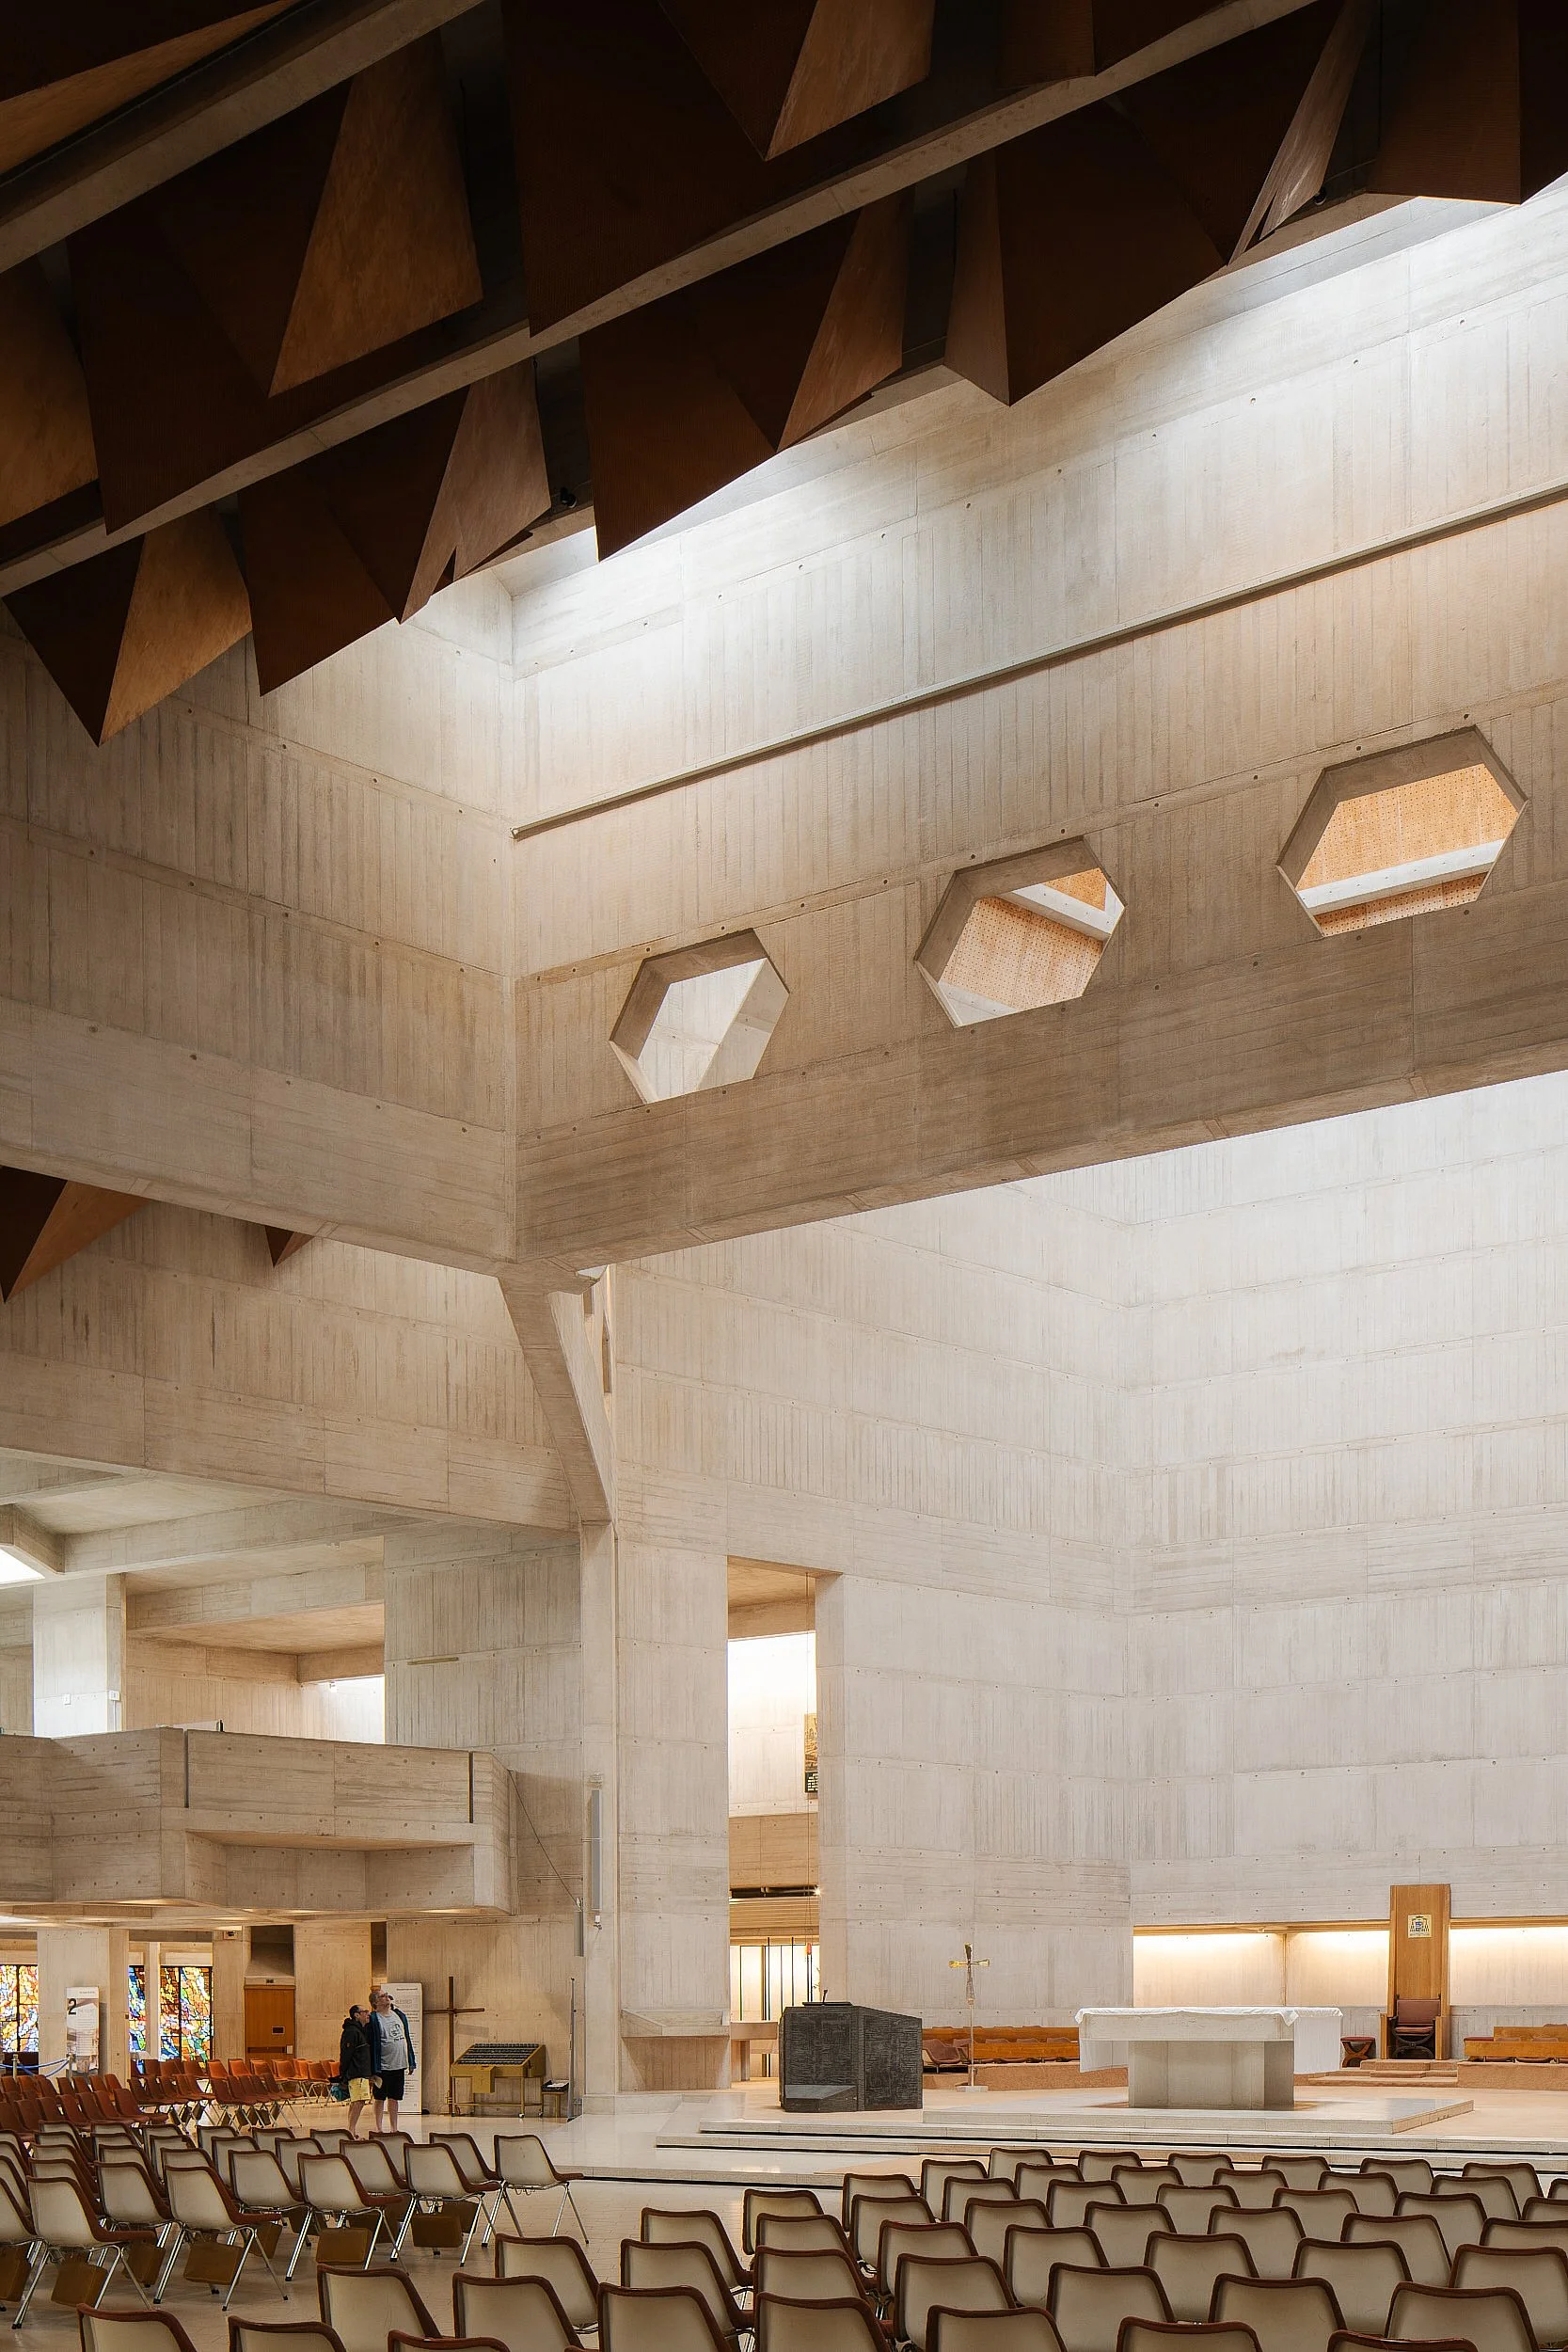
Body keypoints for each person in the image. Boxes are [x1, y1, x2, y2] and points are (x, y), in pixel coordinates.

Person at [368, 1985, 417, 2134]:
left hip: (399, 2064)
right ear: (376, 2003)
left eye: (387, 1995)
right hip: (383, 2065)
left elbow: (406, 2038)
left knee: (395, 2097)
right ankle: (378, 2127)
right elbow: (371, 2043)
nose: (387, 1998)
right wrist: (372, 2070)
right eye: (383, 1996)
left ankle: (394, 2128)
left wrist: (411, 2061)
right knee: (380, 2097)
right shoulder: (374, 2019)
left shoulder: (399, 2015)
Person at [339, 2002, 373, 2139]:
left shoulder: (360, 2030)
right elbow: (346, 2054)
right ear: (356, 2015)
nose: (368, 2014)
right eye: (365, 2012)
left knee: (357, 2101)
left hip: (362, 2071)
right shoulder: (351, 2031)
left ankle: (351, 2130)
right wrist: (343, 2073)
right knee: (359, 2101)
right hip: (356, 2072)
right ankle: (351, 2131)